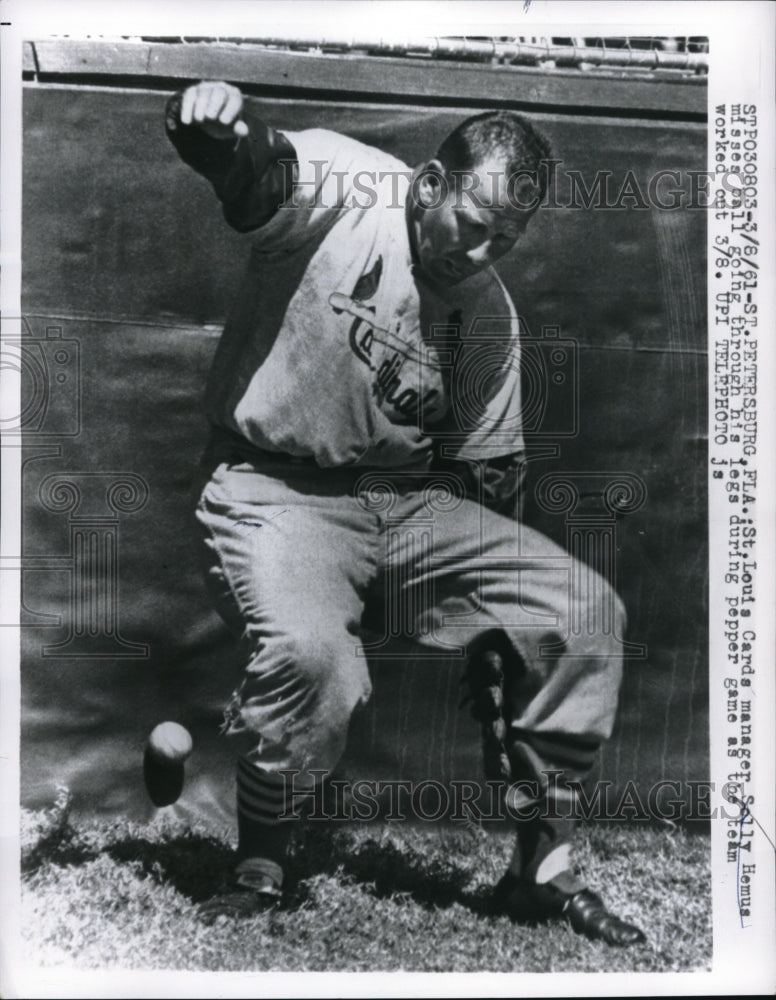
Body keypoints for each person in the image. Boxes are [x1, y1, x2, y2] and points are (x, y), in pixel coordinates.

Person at [163, 79, 645, 946]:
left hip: (407, 501)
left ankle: (541, 869)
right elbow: (260, 176)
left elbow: (492, 477)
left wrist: (502, 630)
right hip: (275, 484)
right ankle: (263, 862)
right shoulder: (354, 186)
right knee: (316, 661)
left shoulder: (487, 315)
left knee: (583, 612)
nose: (484, 249)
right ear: (429, 184)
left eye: (508, 237)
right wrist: (214, 139)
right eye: (474, 222)